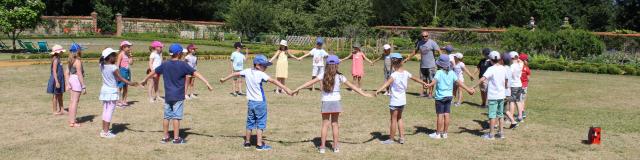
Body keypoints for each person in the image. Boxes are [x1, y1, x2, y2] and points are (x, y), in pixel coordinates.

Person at [292, 55, 373, 153]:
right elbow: (353, 86)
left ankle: (322, 147)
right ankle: (335, 147)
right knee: (335, 124)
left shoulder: (322, 74)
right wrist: (364, 94)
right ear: (337, 65)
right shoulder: (340, 76)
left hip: (326, 102)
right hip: (336, 102)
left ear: (327, 65)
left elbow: (310, 82)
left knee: (325, 125)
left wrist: (298, 88)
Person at [141, 43, 214, 144]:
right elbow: (195, 73)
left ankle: (165, 137)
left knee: (166, 116)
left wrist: (145, 79)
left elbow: (154, 71)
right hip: (178, 96)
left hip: (168, 96)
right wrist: (207, 82)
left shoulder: (165, 64)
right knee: (176, 117)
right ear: (179, 53)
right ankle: (176, 138)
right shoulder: (183, 65)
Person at [220, 54, 293, 151]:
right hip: (260, 103)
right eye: (264, 65)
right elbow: (274, 81)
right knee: (260, 123)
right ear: (257, 65)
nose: (266, 67)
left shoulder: (247, 71)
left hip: (251, 103)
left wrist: (224, 79)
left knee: (250, 122)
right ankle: (259, 144)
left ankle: (247, 142)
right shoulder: (261, 74)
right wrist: (286, 88)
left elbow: (235, 74)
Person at [374, 53, 428, 144]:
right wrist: (424, 83)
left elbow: (386, 84)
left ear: (393, 63)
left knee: (393, 120)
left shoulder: (394, 75)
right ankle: (402, 138)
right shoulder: (406, 73)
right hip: (403, 101)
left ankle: (391, 139)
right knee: (399, 118)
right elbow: (415, 78)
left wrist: (378, 90)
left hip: (395, 101)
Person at [426, 55, 475, 139]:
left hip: (440, 97)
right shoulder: (452, 72)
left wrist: (428, 85)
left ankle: (438, 134)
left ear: (439, 64)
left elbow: (434, 81)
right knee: (447, 114)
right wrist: (468, 90)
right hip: (449, 97)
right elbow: (459, 82)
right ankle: (445, 133)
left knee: (440, 115)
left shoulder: (439, 72)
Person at [98, 48, 138, 138]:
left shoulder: (101, 65)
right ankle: (106, 132)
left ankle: (104, 130)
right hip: (111, 91)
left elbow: (101, 60)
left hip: (104, 90)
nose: (116, 56)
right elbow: (120, 78)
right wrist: (130, 83)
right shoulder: (114, 67)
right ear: (109, 57)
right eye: (114, 55)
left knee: (105, 110)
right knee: (109, 112)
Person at [473, 51, 509, 140]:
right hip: (501, 95)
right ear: (499, 59)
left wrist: (473, 87)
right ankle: (501, 133)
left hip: (493, 96)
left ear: (491, 60)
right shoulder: (503, 68)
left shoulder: (491, 69)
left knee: (492, 115)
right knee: (500, 115)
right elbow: (506, 80)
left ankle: (491, 134)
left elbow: (482, 79)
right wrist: (505, 87)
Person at [404, 31, 442, 98]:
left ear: (428, 36)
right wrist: (408, 58)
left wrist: (441, 60)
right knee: (423, 80)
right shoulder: (420, 43)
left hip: (431, 65)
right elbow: (415, 51)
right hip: (423, 65)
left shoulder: (432, 43)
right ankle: (424, 92)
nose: (424, 37)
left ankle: (430, 93)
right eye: (423, 36)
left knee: (431, 80)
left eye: (426, 36)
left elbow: (439, 51)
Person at [66, 43, 86, 127]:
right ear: (78, 51)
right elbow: (79, 74)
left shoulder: (70, 60)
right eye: (80, 50)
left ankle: (71, 119)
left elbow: (66, 73)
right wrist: (83, 86)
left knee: (72, 101)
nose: (81, 51)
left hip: (71, 79)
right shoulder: (77, 61)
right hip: (76, 80)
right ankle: (73, 122)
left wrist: (68, 83)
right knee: (75, 102)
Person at [506, 51, 525, 129]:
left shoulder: (512, 66)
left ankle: (510, 118)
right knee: (518, 101)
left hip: (513, 86)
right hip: (519, 84)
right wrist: (517, 58)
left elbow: (508, 76)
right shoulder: (520, 64)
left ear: (511, 58)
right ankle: (520, 117)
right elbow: (520, 61)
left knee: (511, 101)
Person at [46, 44, 66, 116]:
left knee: (60, 94)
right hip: (56, 79)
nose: (62, 52)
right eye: (61, 51)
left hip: (60, 78)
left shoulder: (58, 58)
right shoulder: (55, 60)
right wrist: (57, 81)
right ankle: (54, 110)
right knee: (55, 95)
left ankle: (62, 109)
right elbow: (54, 71)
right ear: (58, 52)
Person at [117, 41, 133, 107]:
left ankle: (124, 100)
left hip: (127, 72)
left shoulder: (128, 54)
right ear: (123, 47)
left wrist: (131, 56)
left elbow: (131, 63)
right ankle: (118, 101)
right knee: (120, 87)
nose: (129, 48)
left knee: (126, 87)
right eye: (128, 47)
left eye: (129, 47)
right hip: (122, 71)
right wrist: (118, 74)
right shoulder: (121, 54)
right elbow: (117, 64)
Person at [518, 53, 531, 120]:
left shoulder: (517, 67)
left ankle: (520, 113)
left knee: (518, 100)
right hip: (524, 86)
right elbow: (528, 79)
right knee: (522, 100)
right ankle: (522, 112)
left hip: (517, 86)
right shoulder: (526, 68)